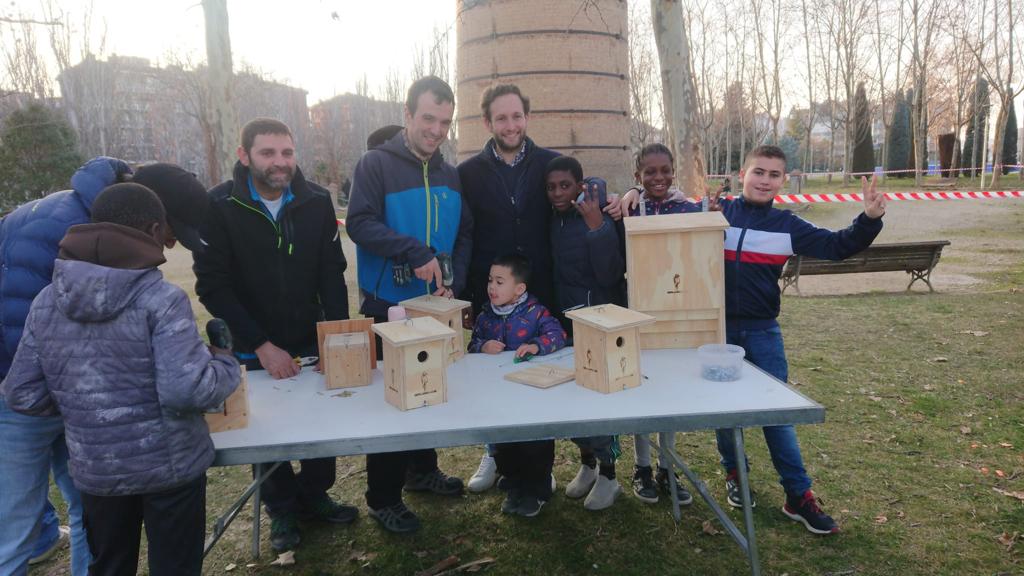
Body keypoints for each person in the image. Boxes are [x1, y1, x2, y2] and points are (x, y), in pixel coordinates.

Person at [4, 182, 241, 575]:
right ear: (151, 231)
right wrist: (225, 363)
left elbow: (22, 392)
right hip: (170, 471)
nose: (167, 246)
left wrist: (85, 408)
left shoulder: (46, 301)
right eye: (164, 235)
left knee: (109, 566)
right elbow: (188, 389)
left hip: (98, 472)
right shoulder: (161, 301)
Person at [193, 118, 357, 552]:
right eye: (268, 153)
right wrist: (261, 345)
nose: (280, 162)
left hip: (309, 337)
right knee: (269, 436)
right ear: (245, 156)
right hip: (254, 344)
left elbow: (331, 272)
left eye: (286, 152)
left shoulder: (316, 201)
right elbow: (213, 285)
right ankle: (282, 509)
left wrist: (333, 337)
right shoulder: (219, 206)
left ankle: (315, 495)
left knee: (323, 424)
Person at [457, 84, 624, 493]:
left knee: (542, 378)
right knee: (493, 378)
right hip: (492, 292)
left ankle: (545, 466)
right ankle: (494, 453)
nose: (510, 125)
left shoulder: (548, 165)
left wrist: (622, 195)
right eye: (501, 118)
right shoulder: (469, 173)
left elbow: (586, 187)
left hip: (543, 292)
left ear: (527, 118)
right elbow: (464, 233)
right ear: (487, 122)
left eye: (517, 116)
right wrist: (464, 293)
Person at [713, 144, 886, 535]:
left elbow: (837, 246)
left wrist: (869, 219)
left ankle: (798, 495)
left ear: (783, 181)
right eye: (758, 172)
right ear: (743, 173)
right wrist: (633, 194)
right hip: (716, 330)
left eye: (774, 175)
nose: (765, 180)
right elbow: (669, 218)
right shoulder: (717, 211)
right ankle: (734, 475)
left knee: (778, 415)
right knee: (723, 411)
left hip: (762, 331)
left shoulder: (787, 226)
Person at [347, 76, 470, 533]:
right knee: (393, 404)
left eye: (444, 122)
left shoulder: (449, 173)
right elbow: (358, 223)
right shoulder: (375, 165)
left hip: (434, 307)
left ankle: (421, 470)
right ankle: (382, 497)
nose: (436, 130)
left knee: (428, 391)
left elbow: (463, 233)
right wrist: (412, 250)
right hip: (388, 305)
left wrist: (453, 278)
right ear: (407, 114)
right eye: (428, 119)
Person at [545, 155, 627, 511]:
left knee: (597, 399)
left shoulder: (598, 217)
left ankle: (610, 474)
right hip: (567, 322)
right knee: (573, 398)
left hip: (597, 322)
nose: (558, 193)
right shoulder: (554, 220)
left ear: (581, 186)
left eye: (566, 185)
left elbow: (610, 274)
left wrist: (596, 228)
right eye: (551, 187)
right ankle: (588, 465)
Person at [624, 143, 698, 507]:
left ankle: (668, 466)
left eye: (665, 170)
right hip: (637, 312)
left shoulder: (687, 209)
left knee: (670, 394)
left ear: (673, 172)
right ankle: (642, 467)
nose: (659, 177)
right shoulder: (627, 208)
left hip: (675, 310)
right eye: (649, 172)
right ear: (637, 174)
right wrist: (629, 195)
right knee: (641, 391)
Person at [468, 253, 566, 517]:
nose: (491, 287)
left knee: (534, 444)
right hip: (498, 395)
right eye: (490, 280)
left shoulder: (535, 312)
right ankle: (515, 483)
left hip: (530, 394)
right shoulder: (486, 315)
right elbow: (472, 343)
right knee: (503, 443)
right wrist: (482, 346)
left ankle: (537, 490)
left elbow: (558, 335)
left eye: (500, 282)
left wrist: (536, 345)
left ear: (519, 288)